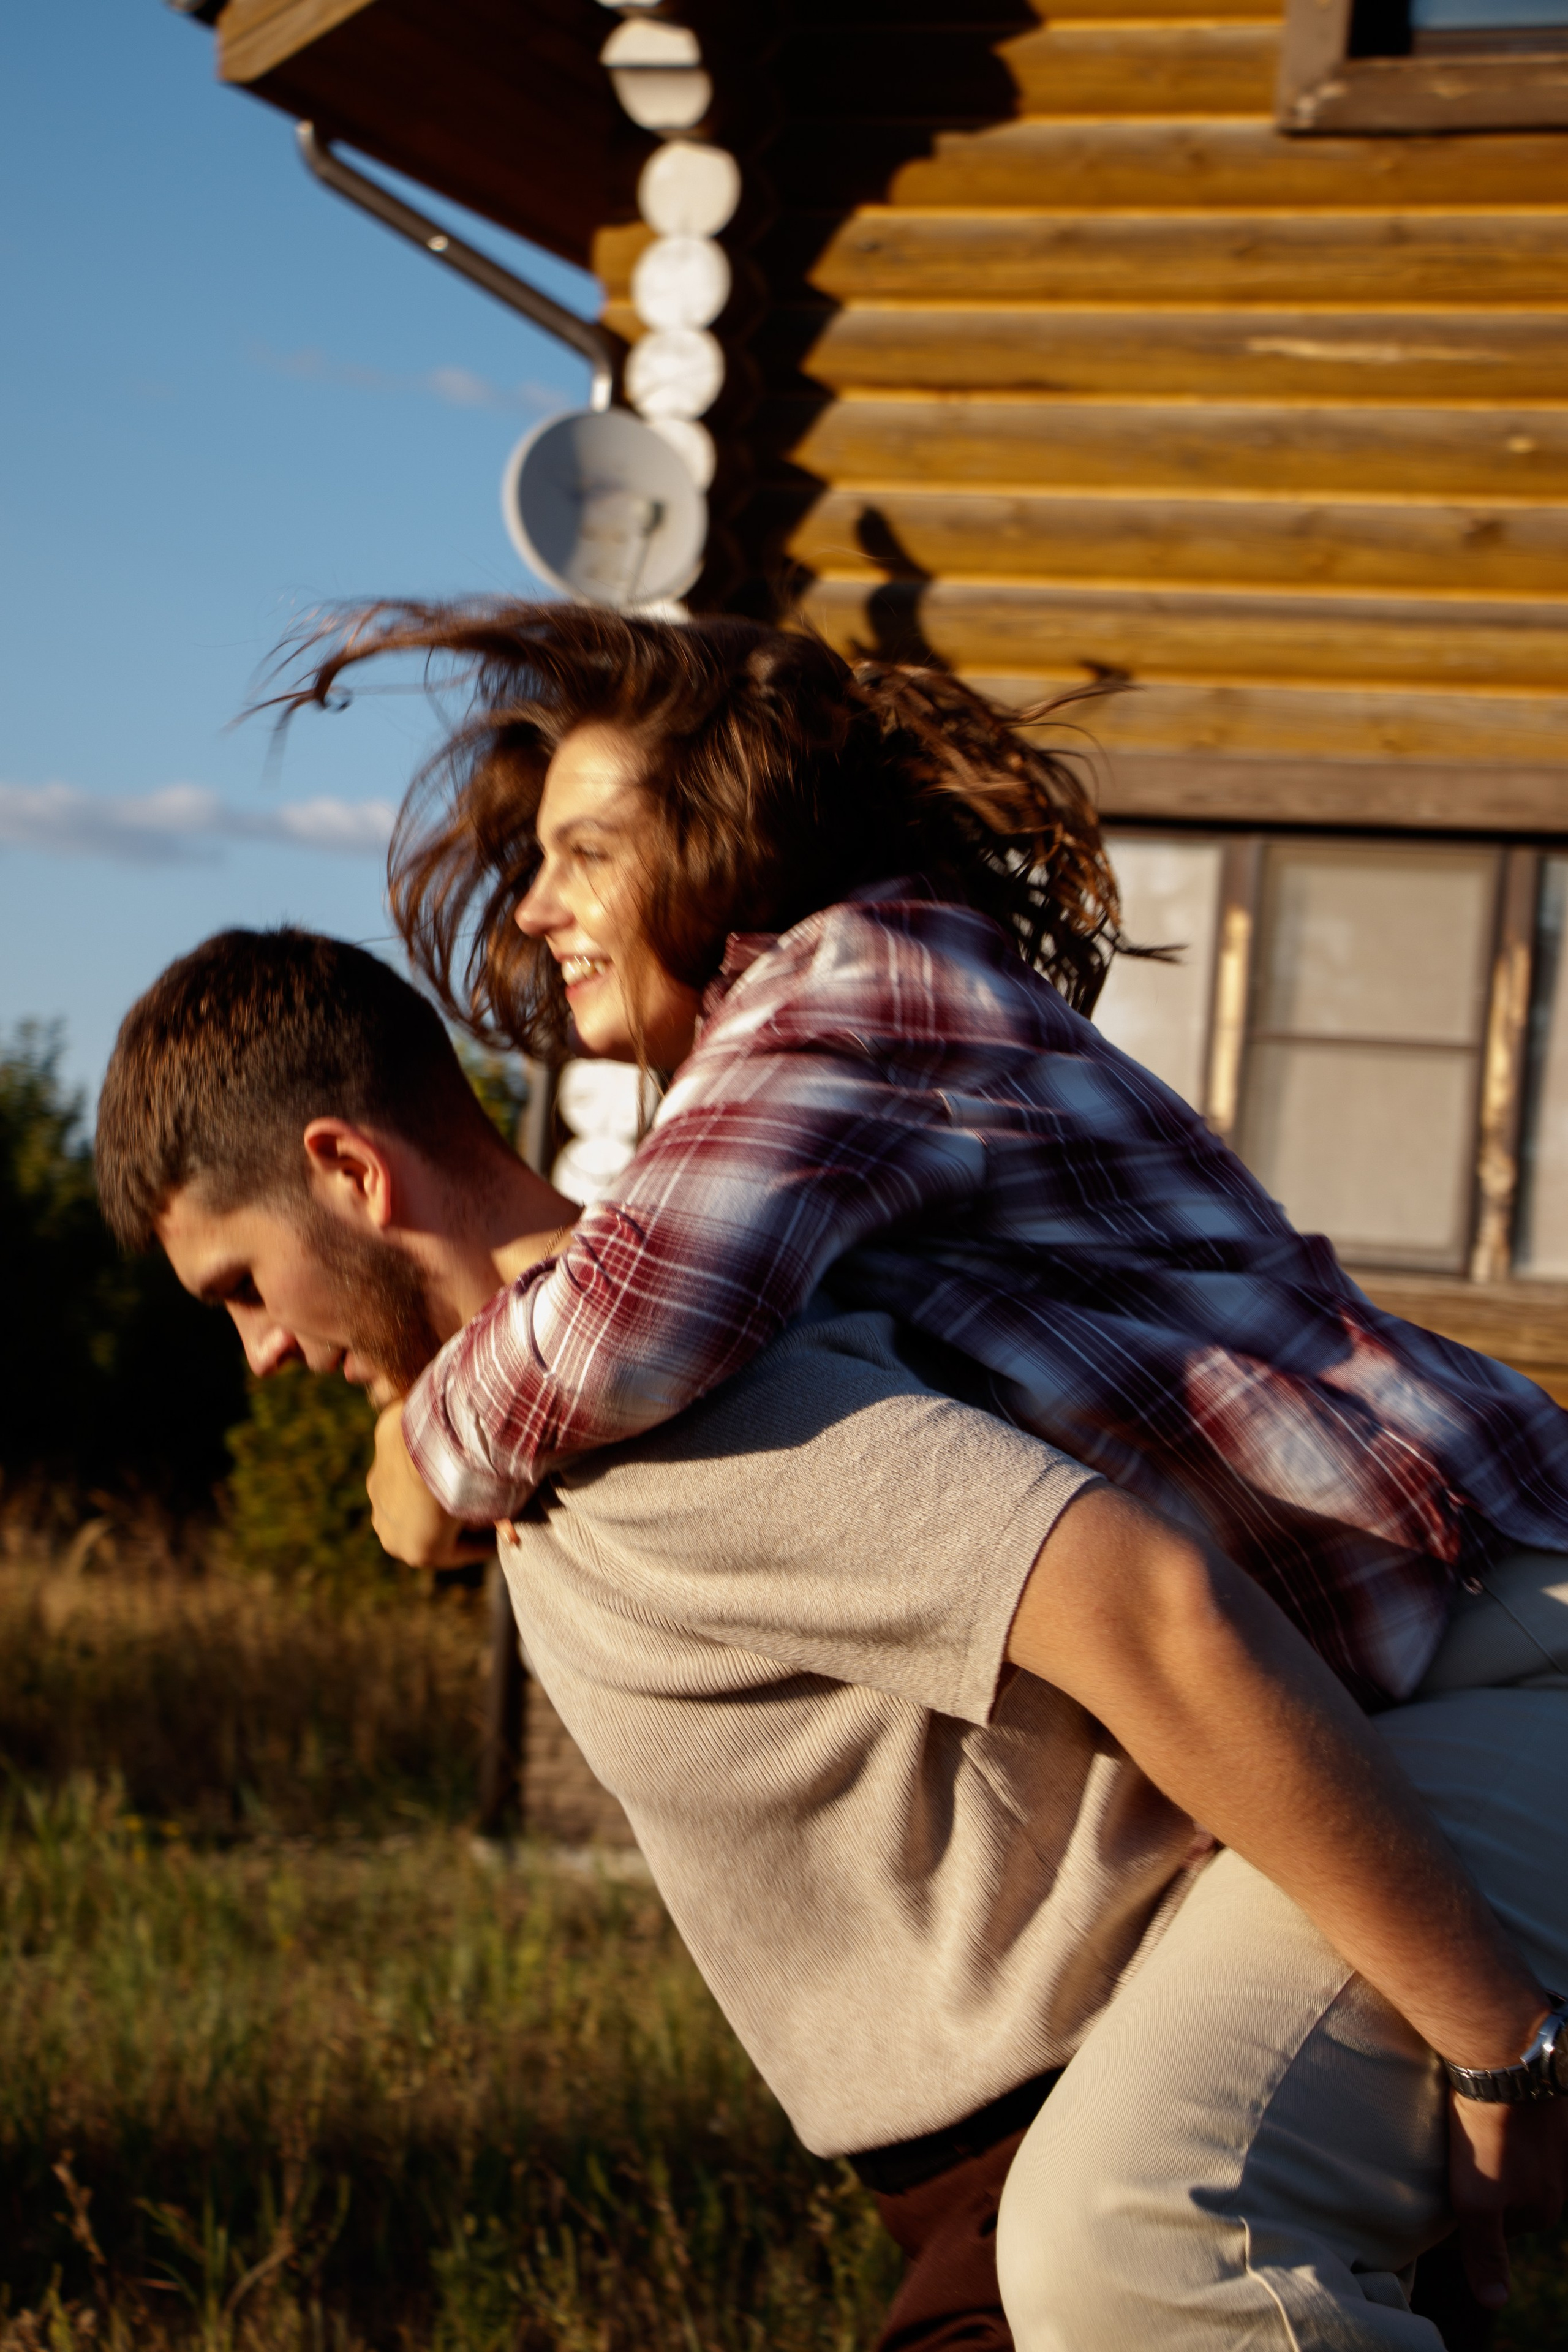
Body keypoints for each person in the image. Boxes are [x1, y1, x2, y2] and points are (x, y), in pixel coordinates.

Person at [97, 925, 1568, 2352]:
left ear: (347, 1169)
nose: (260, 1352)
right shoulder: (533, 1424)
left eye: (241, 1288)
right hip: (986, 2181)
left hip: (1103, 2140)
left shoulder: (669, 1422)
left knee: (1134, 2248)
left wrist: (1484, 2033)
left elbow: (1146, 1614)